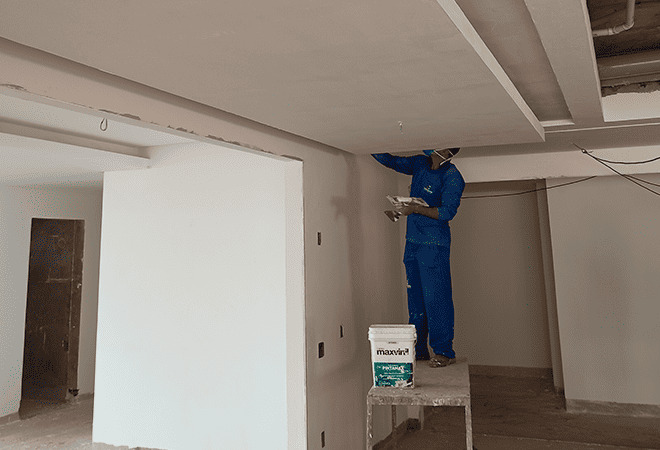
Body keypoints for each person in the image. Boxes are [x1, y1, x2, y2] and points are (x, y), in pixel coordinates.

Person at [372, 148, 465, 367]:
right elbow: (393, 161)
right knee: (415, 300)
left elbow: (447, 213)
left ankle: (443, 352)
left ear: (447, 150)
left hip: (434, 244)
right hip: (413, 242)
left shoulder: (452, 176)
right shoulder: (420, 164)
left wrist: (414, 209)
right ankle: (419, 350)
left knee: (436, 298)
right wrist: (369, 144)